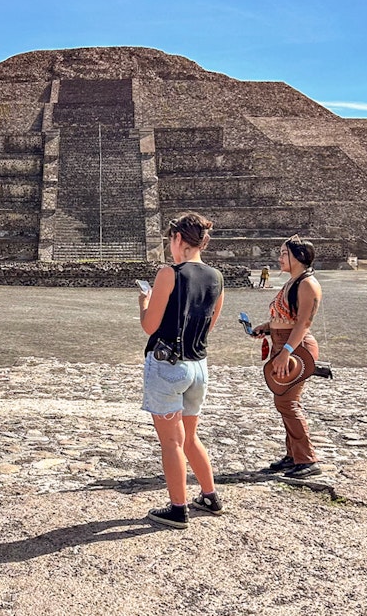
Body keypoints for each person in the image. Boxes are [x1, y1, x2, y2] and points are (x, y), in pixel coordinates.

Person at [138, 212, 225, 528]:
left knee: (172, 442)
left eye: (170, 241)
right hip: (198, 365)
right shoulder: (217, 277)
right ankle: (210, 495)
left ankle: (178, 508)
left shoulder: (168, 274)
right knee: (190, 437)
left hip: (167, 366)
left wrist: (144, 303)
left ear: (177, 239)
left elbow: (150, 325)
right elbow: (209, 325)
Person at [251, 235, 323, 479]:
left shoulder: (307, 284)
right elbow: (286, 318)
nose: (280, 258)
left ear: (299, 257)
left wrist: (287, 352)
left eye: (284, 253)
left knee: (287, 403)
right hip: (283, 345)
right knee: (284, 401)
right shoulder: (292, 282)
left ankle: (306, 458)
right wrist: (266, 328)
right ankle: (293, 454)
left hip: (296, 347)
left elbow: (303, 323)